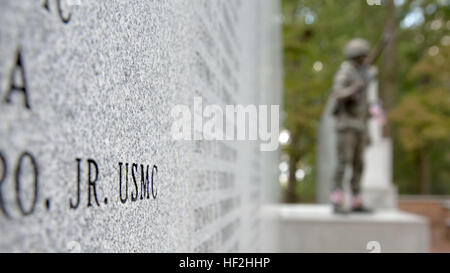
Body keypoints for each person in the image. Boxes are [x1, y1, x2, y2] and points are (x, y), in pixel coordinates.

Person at [331, 35, 390, 214]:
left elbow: (367, 102)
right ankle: (337, 198)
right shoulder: (346, 72)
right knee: (343, 162)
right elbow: (338, 94)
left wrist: (374, 110)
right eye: (362, 56)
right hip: (346, 124)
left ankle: (356, 200)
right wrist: (354, 88)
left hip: (360, 125)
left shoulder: (364, 73)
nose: (364, 58)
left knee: (359, 164)